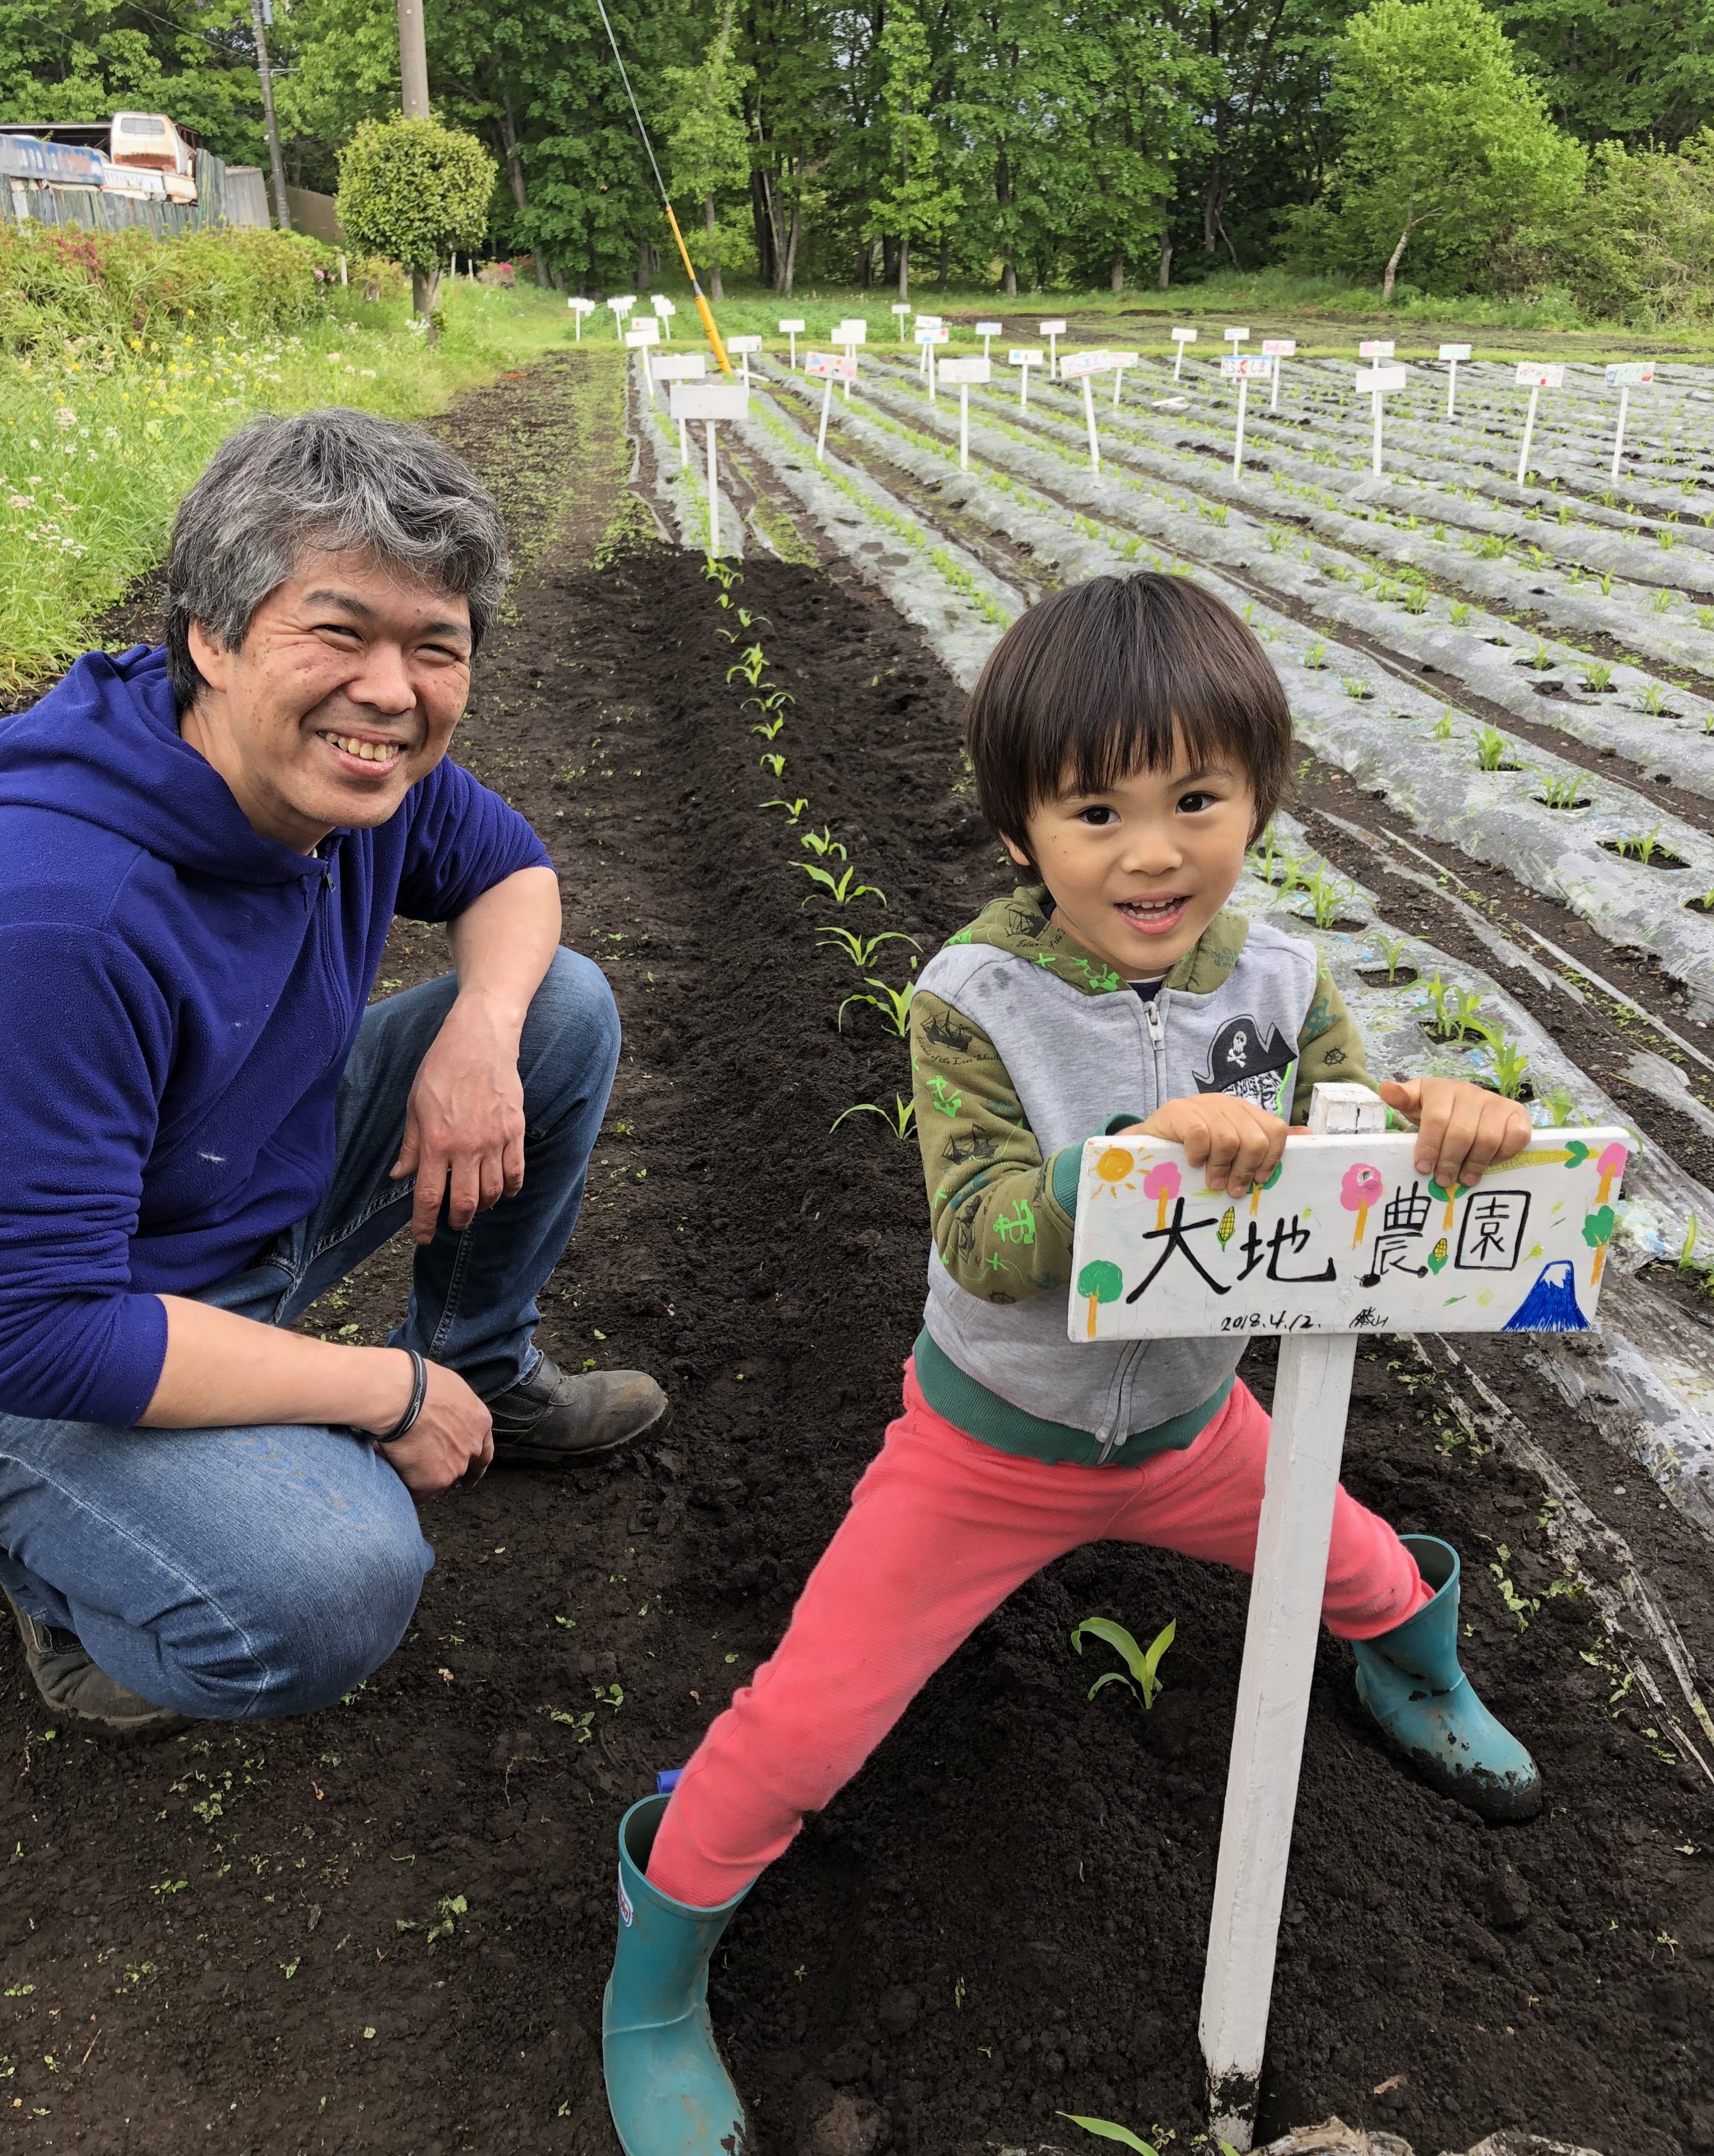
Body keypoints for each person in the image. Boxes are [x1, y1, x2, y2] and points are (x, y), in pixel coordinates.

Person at [599, 573, 1542, 2156]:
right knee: (809, 1722)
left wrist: (1446, 1124)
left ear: (1260, 799)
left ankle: (1417, 1669)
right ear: (1019, 829)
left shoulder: (1287, 985)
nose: (1152, 852)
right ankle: (654, 1980)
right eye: (1097, 811)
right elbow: (983, 1235)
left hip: (1196, 1429)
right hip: (990, 1446)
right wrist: (1135, 1157)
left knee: (1367, 1571)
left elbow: (1353, 1151)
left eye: (1197, 800)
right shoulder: (976, 1001)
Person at [0, 408, 665, 1744]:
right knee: (326, 1586)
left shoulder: (349, 770)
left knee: (558, 1008)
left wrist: (481, 1031)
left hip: (232, 1201)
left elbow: (513, 871)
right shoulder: (61, 919)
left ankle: (482, 1366)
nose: (392, 691)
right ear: (211, 636)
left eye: (436, 647)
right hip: (51, 1332)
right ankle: (67, 1588)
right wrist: (380, 1389)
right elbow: (41, 1325)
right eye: (340, 631)